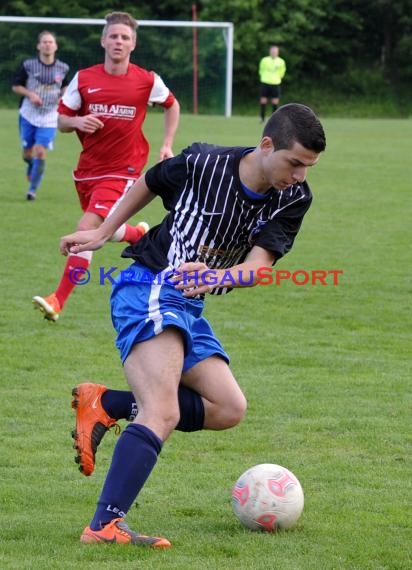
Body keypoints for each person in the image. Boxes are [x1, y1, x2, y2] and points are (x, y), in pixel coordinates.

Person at [61, 103, 326, 547]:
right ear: (267, 146)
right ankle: (104, 526)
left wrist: (216, 277)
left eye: (308, 167)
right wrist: (106, 231)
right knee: (161, 411)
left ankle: (105, 402)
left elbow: (258, 266)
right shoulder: (204, 163)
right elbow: (150, 180)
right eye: (294, 162)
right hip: (149, 285)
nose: (299, 175)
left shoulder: (295, 197)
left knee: (228, 408)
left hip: (188, 303)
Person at [32, 12, 180, 322]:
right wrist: (77, 121)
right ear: (103, 40)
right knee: (102, 229)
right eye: (113, 36)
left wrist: (167, 144)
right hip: (88, 169)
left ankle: (57, 301)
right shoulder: (85, 78)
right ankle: (135, 235)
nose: (118, 41)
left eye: (125, 37)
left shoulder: (146, 80)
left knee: (87, 228)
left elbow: (172, 104)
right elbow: (61, 121)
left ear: (133, 44)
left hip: (125, 168)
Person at [12, 30, 70, 200]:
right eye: (44, 42)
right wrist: (30, 95)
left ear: (56, 46)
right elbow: (16, 86)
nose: (47, 44)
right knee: (27, 153)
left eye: (50, 42)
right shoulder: (28, 65)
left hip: (50, 116)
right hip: (28, 114)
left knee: (40, 151)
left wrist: (64, 95)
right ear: (38, 46)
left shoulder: (63, 68)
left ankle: (32, 190)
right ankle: (31, 165)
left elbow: (65, 87)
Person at [258, 45, 286, 123]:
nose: (274, 53)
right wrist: (265, 77)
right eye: (272, 51)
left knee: (275, 101)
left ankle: (274, 119)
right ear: (270, 52)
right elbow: (261, 70)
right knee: (263, 100)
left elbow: (282, 72)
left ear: (278, 52)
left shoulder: (281, 61)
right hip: (265, 82)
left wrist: (277, 78)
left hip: (275, 83)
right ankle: (262, 118)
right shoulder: (264, 60)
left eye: (275, 51)